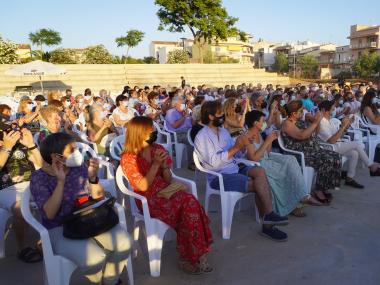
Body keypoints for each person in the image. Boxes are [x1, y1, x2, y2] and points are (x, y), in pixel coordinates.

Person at [30, 133, 132, 284]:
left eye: (76, 149)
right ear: (55, 156)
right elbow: (50, 214)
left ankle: (110, 280)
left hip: (88, 218)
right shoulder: (39, 177)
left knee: (125, 244)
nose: (77, 154)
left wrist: (92, 177)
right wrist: (60, 182)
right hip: (60, 228)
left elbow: (98, 197)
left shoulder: (78, 168)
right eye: (71, 150)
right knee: (94, 259)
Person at [120, 116, 213, 274]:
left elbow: (168, 179)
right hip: (146, 198)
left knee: (190, 203)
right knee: (189, 205)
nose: (154, 132)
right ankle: (191, 255)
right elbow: (142, 186)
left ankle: (193, 254)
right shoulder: (129, 158)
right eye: (151, 130)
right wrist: (155, 164)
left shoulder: (157, 148)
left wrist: (163, 168)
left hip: (164, 189)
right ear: (139, 133)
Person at [195, 101, 289, 242]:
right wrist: (235, 148)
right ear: (210, 116)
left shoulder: (224, 132)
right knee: (257, 184)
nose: (224, 116)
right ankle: (268, 223)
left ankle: (268, 216)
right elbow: (212, 163)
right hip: (220, 175)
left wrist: (244, 145)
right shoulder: (201, 137)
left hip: (234, 167)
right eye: (220, 113)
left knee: (259, 172)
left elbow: (237, 154)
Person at [245, 110, 322, 217]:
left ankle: (302, 196)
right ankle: (295, 204)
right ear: (255, 123)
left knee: (290, 160)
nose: (264, 123)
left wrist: (270, 140)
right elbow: (254, 158)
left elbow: (267, 153)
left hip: (267, 160)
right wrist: (268, 141)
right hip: (258, 166)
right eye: (262, 121)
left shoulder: (258, 134)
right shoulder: (247, 137)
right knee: (285, 174)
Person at [281, 100, 342, 204]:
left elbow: (314, 132)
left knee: (336, 156)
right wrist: (315, 122)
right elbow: (302, 135)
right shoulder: (287, 123)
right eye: (301, 111)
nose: (303, 112)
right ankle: (318, 191)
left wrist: (317, 122)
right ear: (294, 113)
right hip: (301, 154)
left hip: (312, 150)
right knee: (328, 159)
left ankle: (323, 187)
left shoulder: (300, 121)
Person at [0, 121, 43, 262]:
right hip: (7, 188)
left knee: (58, 195)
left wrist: (32, 145)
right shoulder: (6, 146)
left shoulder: (22, 146)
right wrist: (6, 148)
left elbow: (42, 166)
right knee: (20, 208)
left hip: (31, 184)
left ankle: (47, 240)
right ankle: (22, 248)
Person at [318, 100, 380, 187]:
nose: (333, 112)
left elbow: (339, 136)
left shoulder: (330, 121)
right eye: (331, 110)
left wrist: (347, 126)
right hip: (329, 148)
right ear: (324, 110)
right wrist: (343, 126)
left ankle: (349, 178)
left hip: (336, 145)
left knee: (354, 153)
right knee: (356, 144)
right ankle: (371, 166)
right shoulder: (321, 123)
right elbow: (332, 141)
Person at [165, 96, 194, 169]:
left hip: (187, 131)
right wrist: (184, 116)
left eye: (184, 103)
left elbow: (192, 124)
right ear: (175, 104)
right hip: (176, 134)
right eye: (181, 103)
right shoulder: (171, 112)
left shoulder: (183, 112)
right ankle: (191, 163)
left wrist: (193, 114)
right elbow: (175, 126)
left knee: (200, 136)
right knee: (191, 139)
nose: (183, 104)